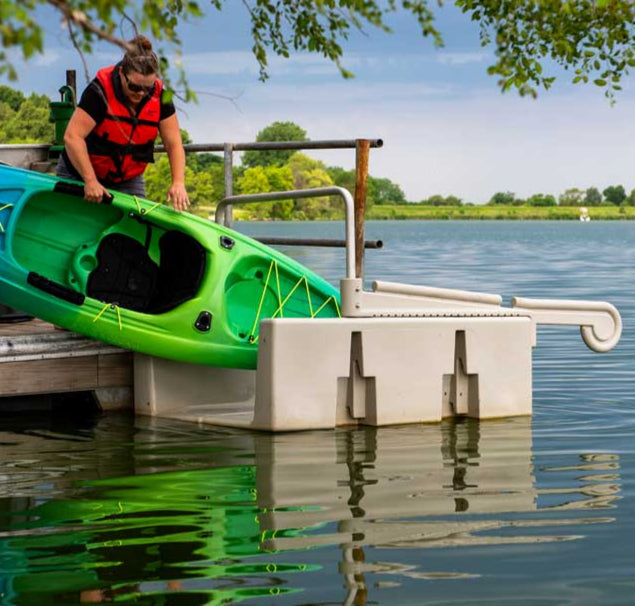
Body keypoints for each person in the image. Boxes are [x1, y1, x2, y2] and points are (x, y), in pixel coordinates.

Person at [57, 35, 189, 211]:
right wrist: (90, 180)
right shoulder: (99, 92)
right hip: (79, 173)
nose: (141, 93)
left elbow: (174, 144)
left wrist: (178, 182)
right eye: (135, 87)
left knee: (135, 226)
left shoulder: (160, 97)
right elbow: (73, 137)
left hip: (127, 179)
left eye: (147, 88)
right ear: (121, 73)